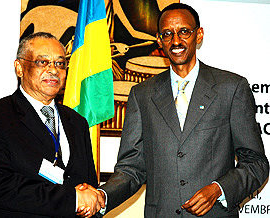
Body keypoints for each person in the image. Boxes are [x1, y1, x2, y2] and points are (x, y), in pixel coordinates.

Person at [79, 3, 269, 218]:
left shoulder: (231, 88)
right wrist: (103, 196)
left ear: (199, 35)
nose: (176, 41)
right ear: (159, 41)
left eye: (184, 32)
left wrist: (218, 189)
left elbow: (256, 162)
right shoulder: (142, 95)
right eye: (167, 34)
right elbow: (131, 168)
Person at [0, 32, 104, 218]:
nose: (53, 70)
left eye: (60, 63)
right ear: (19, 67)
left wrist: (92, 200)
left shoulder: (77, 122)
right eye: (43, 62)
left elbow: (88, 185)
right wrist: (73, 199)